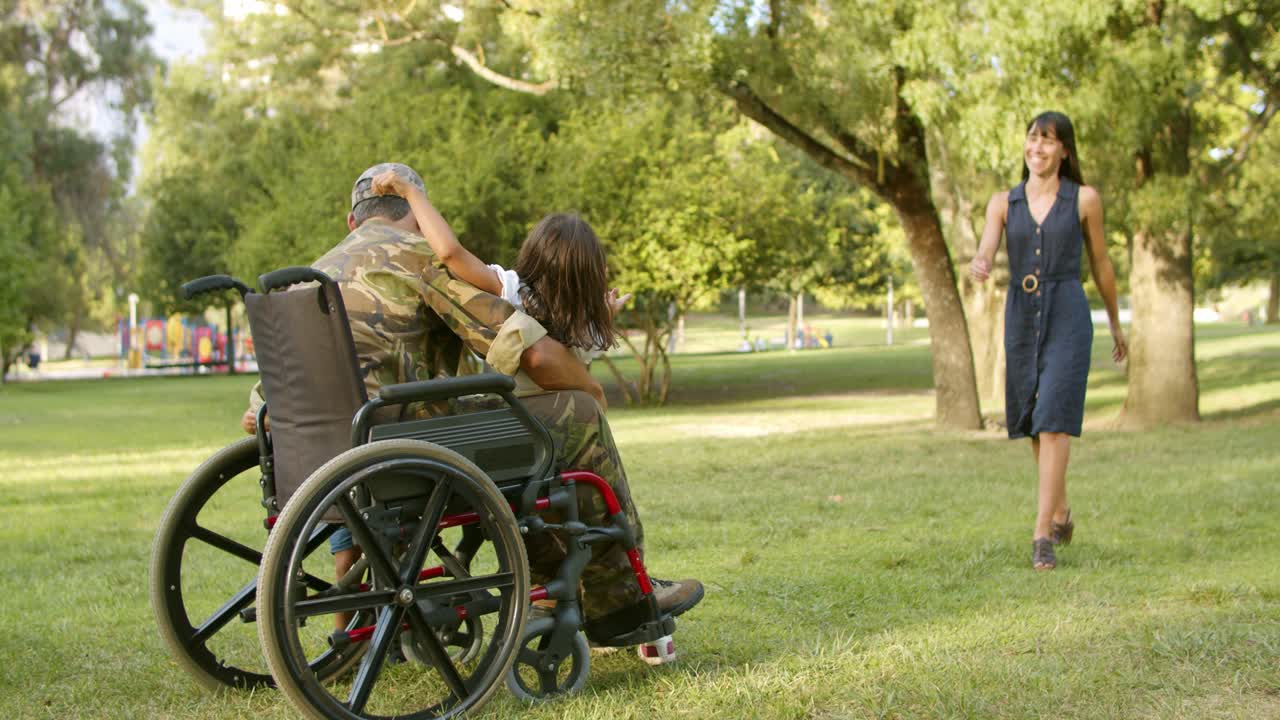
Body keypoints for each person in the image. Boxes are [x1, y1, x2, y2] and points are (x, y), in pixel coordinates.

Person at [243, 163, 703, 642]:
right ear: (418, 216)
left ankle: (551, 578)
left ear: (352, 220)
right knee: (576, 416)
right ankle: (620, 602)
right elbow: (535, 355)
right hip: (405, 450)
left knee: (522, 429)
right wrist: (588, 388)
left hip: (317, 463)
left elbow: (254, 415)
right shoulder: (418, 258)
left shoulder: (310, 279)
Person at [969, 112, 1127, 571]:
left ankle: (1042, 535)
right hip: (1021, 315)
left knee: (1055, 417)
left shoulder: (1084, 200)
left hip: (1068, 313)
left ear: (1064, 151)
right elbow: (985, 249)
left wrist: (1116, 323)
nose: (1037, 148)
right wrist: (980, 264)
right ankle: (1059, 509)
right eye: (1032, 139)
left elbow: (1101, 264)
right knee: (1033, 420)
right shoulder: (1003, 202)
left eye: (1047, 140)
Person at [370, 170, 630, 398]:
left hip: (515, 418)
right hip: (564, 420)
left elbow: (450, 253)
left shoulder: (512, 291)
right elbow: (582, 351)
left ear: (534, 252)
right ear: (589, 276)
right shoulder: (581, 325)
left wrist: (412, 194)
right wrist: (604, 316)